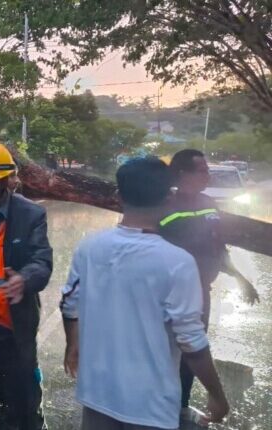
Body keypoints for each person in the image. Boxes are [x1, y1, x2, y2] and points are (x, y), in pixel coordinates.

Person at [60, 156, 229, 429]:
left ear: (118, 196)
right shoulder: (177, 262)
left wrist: (73, 346)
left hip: (96, 393)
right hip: (150, 405)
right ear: (169, 198)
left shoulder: (90, 247)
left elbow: (69, 304)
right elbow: (191, 340)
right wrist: (217, 395)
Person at [160, 149, 260, 424]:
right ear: (182, 174)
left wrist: (240, 278)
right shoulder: (165, 205)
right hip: (170, 294)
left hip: (202, 292)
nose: (208, 175)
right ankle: (157, 408)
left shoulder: (208, 203)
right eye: (202, 170)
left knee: (193, 351)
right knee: (170, 350)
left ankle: (180, 407)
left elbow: (218, 248)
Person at [0, 141, 52, 430]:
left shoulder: (30, 214)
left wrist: (24, 279)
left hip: (13, 321)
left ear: (5, 180)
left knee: (23, 394)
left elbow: (42, 261)